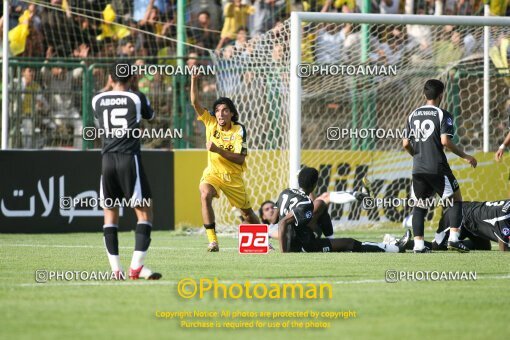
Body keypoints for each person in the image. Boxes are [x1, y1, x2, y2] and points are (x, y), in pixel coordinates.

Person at [91, 61, 160, 280]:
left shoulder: (96, 99)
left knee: (109, 216)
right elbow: (151, 116)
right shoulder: (137, 97)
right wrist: (135, 87)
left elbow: (98, 122)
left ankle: (115, 271)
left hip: (107, 160)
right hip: (129, 159)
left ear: (110, 79)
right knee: (145, 212)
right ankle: (136, 268)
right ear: (132, 78)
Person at [403, 79, 477, 253]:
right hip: (437, 166)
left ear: (424, 94)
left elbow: (405, 143)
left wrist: (418, 155)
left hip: (418, 168)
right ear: (441, 95)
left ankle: (419, 246)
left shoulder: (412, 115)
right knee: (456, 199)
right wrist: (465, 156)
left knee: (420, 205)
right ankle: (453, 238)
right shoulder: (443, 114)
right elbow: (445, 141)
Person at [190, 69, 260, 252]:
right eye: (217, 111)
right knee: (204, 194)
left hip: (232, 177)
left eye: (224, 111)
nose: (220, 114)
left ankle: (263, 239)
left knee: (247, 213)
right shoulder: (210, 123)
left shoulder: (239, 130)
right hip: (213, 174)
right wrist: (193, 80)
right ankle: (213, 241)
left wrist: (218, 149)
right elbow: (195, 102)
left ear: (231, 113)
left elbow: (239, 159)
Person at [275, 167, 408, 253]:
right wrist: (284, 254)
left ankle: (331, 240)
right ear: (316, 184)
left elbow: (278, 219)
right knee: (350, 243)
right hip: (304, 246)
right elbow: (282, 223)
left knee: (321, 203)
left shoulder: (285, 192)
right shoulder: (305, 203)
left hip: (300, 236)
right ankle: (394, 248)